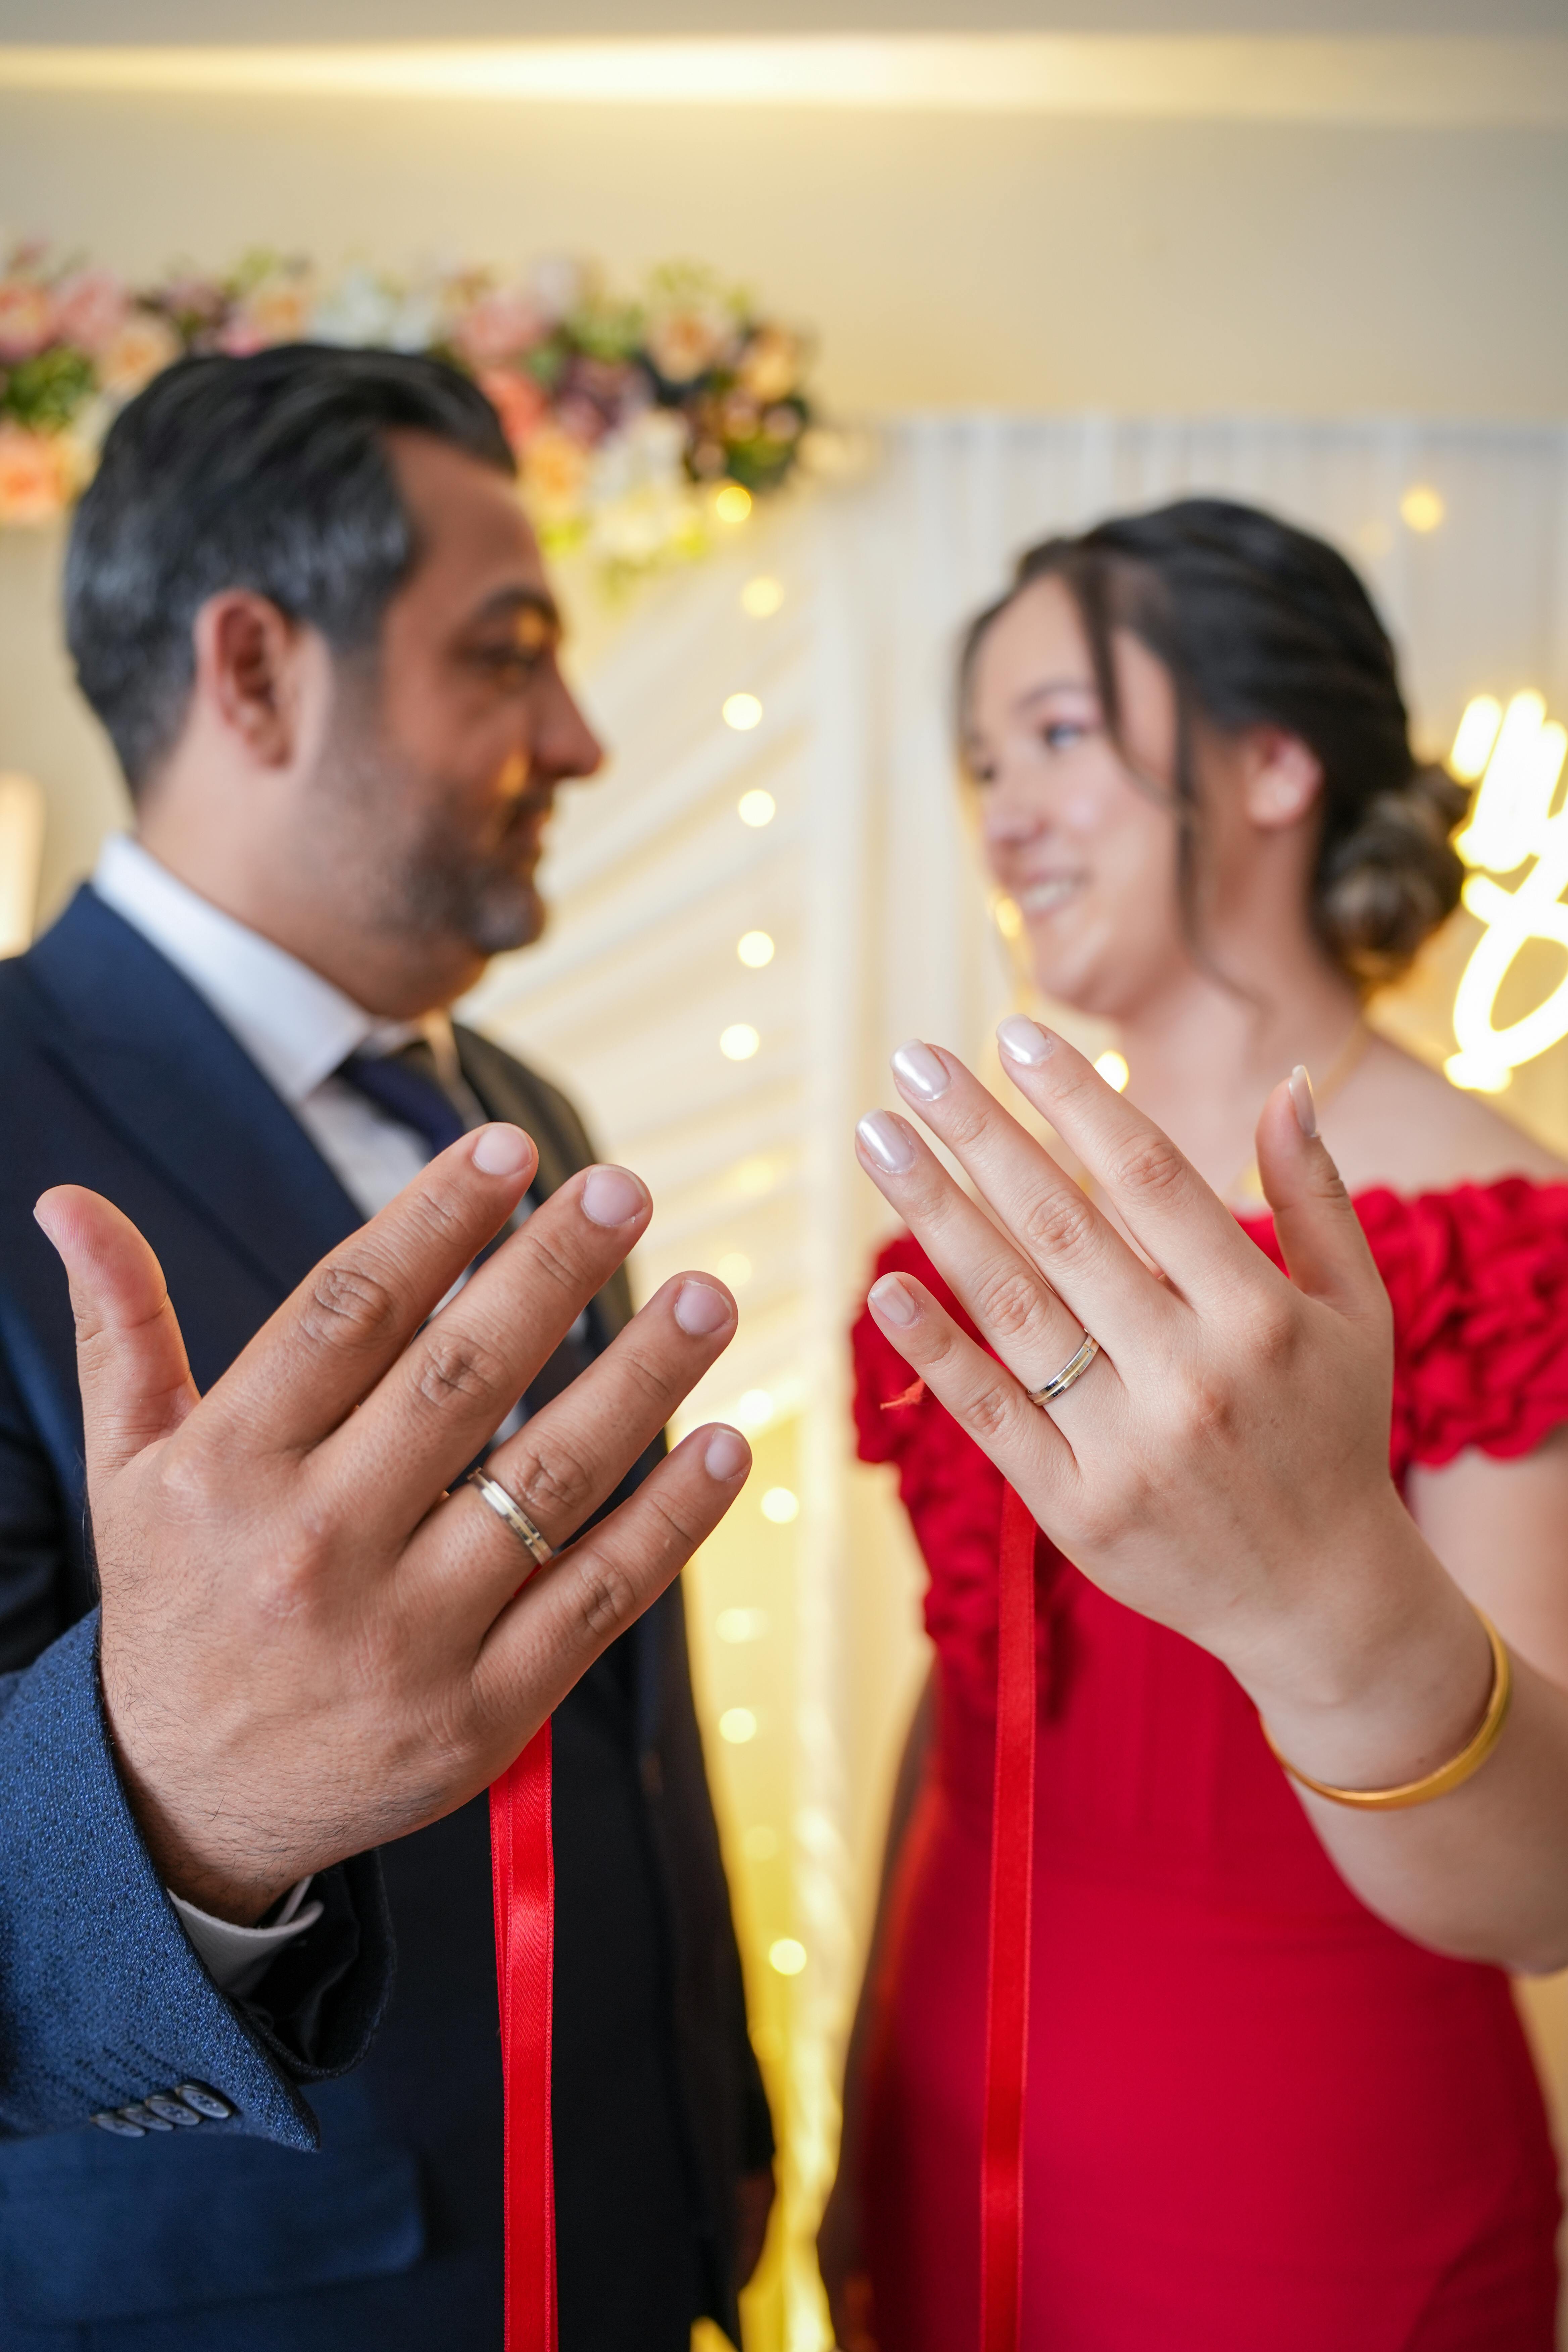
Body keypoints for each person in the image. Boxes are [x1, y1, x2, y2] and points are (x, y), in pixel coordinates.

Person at [0, 346, 773, 2350]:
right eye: (507, 655)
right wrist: (189, 1801)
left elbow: (611, 1713)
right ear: (256, 672)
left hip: (640, 2248)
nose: (579, 737)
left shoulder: (520, 1108)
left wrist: (715, 2131)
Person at [821, 499, 1568, 2351]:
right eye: (987, 760)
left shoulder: (1497, 1234)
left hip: (1304, 2161)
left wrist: (1318, 1582)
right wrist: (861, 2083)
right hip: (953, 2082)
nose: (1005, 811)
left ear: (1274, 763)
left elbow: (1545, 1889)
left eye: (1061, 732)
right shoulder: (1002, 1221)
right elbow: (968, 1681)